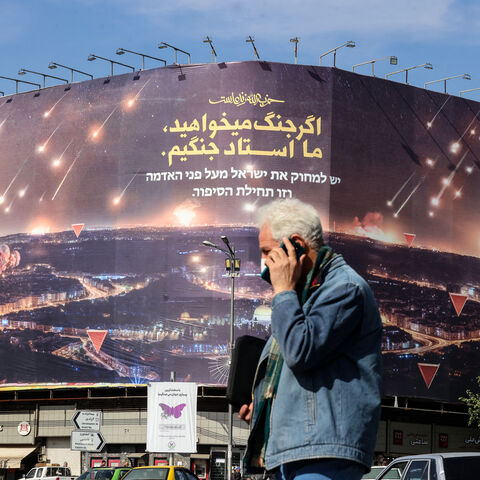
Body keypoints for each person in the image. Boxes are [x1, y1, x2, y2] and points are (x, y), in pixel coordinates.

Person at [239, 199, 382, 480]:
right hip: (295, 452)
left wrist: (282, 291)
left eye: (268, 251)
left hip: (324, 454)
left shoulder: (344, 289)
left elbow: (300, 351)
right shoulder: (303, 298)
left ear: (296, 245)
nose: (264, 263)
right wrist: (266, 407)